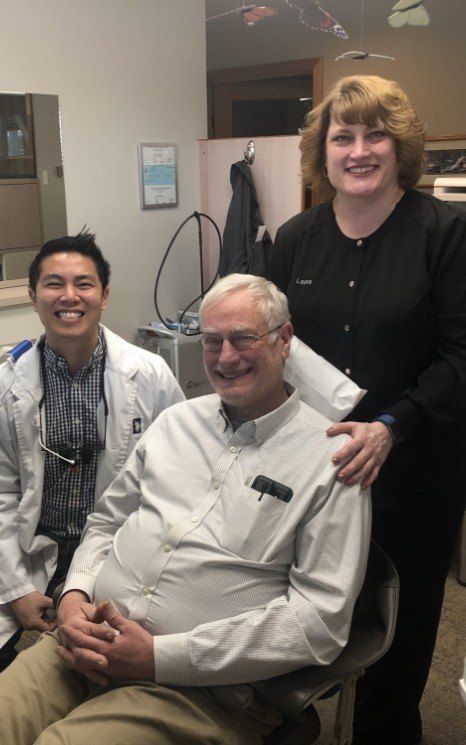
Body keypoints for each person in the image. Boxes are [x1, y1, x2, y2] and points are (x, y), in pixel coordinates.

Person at [0, 273, 370, 745]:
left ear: (284, 341)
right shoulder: (175, 422)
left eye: (243, 338)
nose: (226, 357)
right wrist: (75, 597)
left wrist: (159, 656)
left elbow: (320, 621)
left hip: (197, 690)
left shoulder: (332, 460)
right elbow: (107, 522)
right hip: (83, 642)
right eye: (212, 341)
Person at [267, 75, 466, 745]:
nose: (358, 149)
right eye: (342, 136)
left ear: (399, 145)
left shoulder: (447, 234)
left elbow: (462, 356)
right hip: (314, 472)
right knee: (308, 610)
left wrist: (391, 425)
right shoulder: (294, 240)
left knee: (401, 629)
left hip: (414, 471)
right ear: (321, 151)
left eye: (374, 134)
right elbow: (272, 348)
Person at [0, 230, 184, 672]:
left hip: (115, 547)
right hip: (29, 547)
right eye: (53, 284)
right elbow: (2, 494)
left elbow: (180, 470)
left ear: (104, 295)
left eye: (83, 284)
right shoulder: (8, 384)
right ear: (33, 295)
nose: (69, 296)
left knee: (99, 663)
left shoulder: (150, 375)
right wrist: (16, 589)